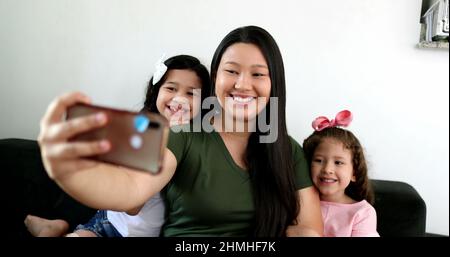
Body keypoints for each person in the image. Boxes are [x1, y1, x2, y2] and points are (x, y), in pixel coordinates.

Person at [37, 25, 323, 237]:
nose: (242, 84)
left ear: (275, 84)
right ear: (215, 79)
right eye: (231, 71)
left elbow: (309, 226)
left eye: (258, 74)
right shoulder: (183, 135)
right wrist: (71, 173)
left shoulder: (287, 149)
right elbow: (130, 188)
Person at [24, 54, 211, 237]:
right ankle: (53, 228)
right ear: (157, 91)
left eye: (191, 93)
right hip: (111, 223)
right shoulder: (143, 133)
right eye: (171, 88)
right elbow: (132, 206)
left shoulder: (198, 142)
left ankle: (54, 229)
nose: (180, 99)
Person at [302, 110, 379, 237]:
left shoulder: (362, 213)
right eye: (319, 160)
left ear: (354, 173)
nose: (327, 169)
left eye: (338, 162)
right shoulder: (299, 204)